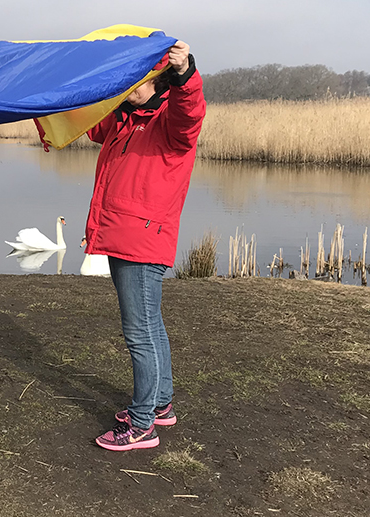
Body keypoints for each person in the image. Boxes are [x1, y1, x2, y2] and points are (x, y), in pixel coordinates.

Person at [85, 41, 206, 451]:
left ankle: (141, 425)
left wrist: (186, 71)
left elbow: (190, 115)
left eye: (135, 77)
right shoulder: (126, 119)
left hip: (142, 239)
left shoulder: (168, 122)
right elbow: (92, 125)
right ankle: (160, 405)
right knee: (151, 326)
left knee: (139, 332)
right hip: (125, 234)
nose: (128, 84)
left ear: (156, 79)